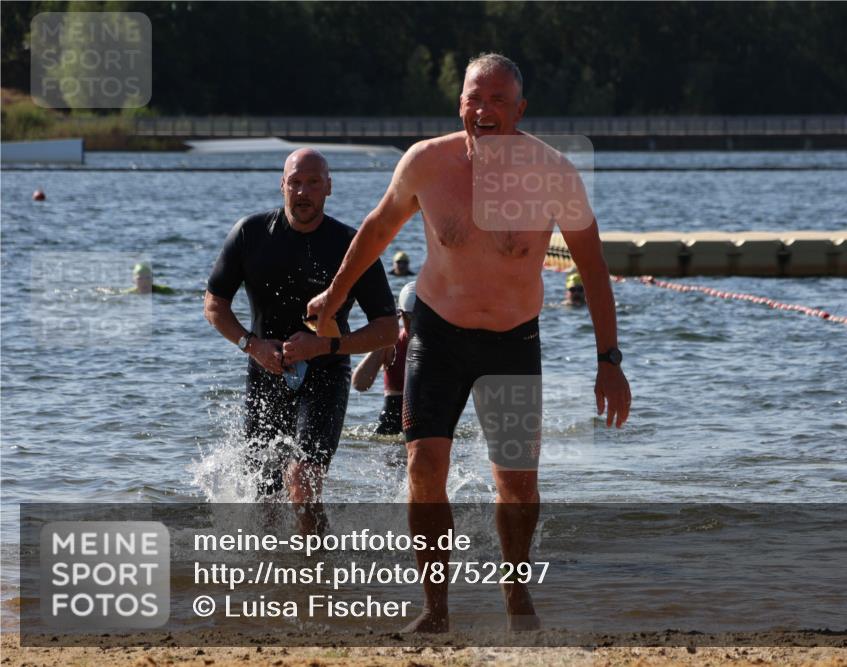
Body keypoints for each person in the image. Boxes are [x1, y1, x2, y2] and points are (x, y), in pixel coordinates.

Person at [308, 53, 631, 632]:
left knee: (517, 480)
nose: (483, 111)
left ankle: (516, 595)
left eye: (497, 100)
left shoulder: (553, 172)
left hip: (512, 340)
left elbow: (594, 266)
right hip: (438, 334)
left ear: (520, 109)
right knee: (425, 464)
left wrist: (608, 360)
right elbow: (378, 229)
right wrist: (333, 299)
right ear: (459, 103)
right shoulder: (427, 163)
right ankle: (436, 609)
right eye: (473, 99)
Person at [204, 148, 397, 514]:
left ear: (329, 187)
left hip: (326, 374)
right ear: (282, 186)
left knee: (303, 480)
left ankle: (315, 566)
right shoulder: (251, 234)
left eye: (312, 183)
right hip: (265, 372)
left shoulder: (351, 246)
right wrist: (252, 344)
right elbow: (214, 305)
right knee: (264, 495)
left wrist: (326, 345)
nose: (302, 192)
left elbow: (388, 329)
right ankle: (273, 568)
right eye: (295, 183)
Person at [352, 282, 415, 435]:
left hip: (426, 418)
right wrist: (385, 341)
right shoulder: (392, 343)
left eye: (422, 316)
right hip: (392, 422)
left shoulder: (438, 345)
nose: (416, 323)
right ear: (401, 315)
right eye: (411, 317)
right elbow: (360, 384)